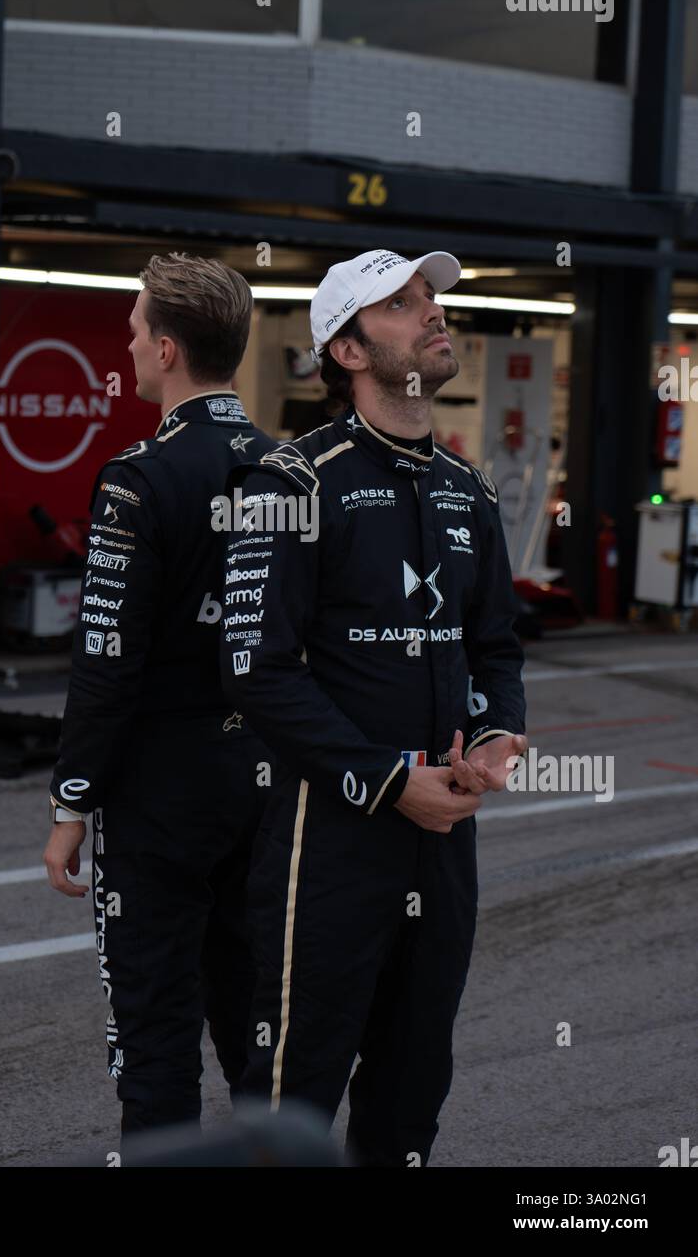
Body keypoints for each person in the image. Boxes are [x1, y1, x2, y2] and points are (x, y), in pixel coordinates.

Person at [219, 248, 527, 1167]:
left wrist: (502, 732)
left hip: (444, 845)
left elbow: (496, 645)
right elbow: (253, 668)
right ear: (346, 350)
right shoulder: (290, 482)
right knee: (293, 1107)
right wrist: (389, 780)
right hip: (328, 845)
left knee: (410, 1094)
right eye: (401, 304)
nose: (433, 315)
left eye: (431, 299)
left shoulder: (469, 489)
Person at [45, 252, 274, 1140]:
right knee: (259, 1029)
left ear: (170, 348)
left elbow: (106, 663)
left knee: (154, 1037)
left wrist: (73, 800)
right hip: (264, 783)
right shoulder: (291, 471)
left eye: (137, 327)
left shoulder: (136, 478)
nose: (128, 341)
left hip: (161, 798)